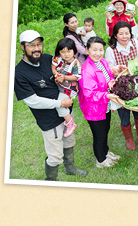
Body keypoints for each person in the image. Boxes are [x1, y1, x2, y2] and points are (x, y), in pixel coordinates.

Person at [13, 30, 88, 181]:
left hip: (66, 111)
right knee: (55, 155)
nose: (36, 48)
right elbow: (32, 101)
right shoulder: (19, 73)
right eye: (31, 45)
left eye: (39, 44)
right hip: (49, 119)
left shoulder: (48, 59)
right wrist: (60, 103)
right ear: (22, 47)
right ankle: (51, 180)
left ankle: (70, 168)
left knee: (69, 141)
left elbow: (71, 64)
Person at [78, 36, 126, 167]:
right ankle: (100, 160)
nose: (98, 53)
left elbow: (108, 75)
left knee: (105, 129)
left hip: (104, 105)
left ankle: (105, 152)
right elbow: (90, 94)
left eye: (101, 49)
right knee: (99, 134)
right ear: (87, 51)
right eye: (94, 50)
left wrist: (111, 80)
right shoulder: (86, 70)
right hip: (94, 108)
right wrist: (107, 96)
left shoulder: (102, 61)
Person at [104, 21, 138, 150]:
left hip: (137, 82)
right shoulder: (111, 50)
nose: (124, 36)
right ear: (115, 35)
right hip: (121, 86)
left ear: (130, 34)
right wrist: (118, 69)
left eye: (126, 33)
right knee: (124, 113)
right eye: (120, 33)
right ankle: (128, 138)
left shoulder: (135, 43)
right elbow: (109, 70)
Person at [52, 38, 82, 137]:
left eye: (69, 51)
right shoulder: (57, 58)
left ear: (74, 50)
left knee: (60, 105)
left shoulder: (75, 63)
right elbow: (53, 66)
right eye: (62, 51)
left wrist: (64, 77)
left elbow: (76, 77)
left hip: (68, 89)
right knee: (59, 103)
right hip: (59, 85)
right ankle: (69, 122)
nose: (66, 54)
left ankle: (70, 123)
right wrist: (56, 74)